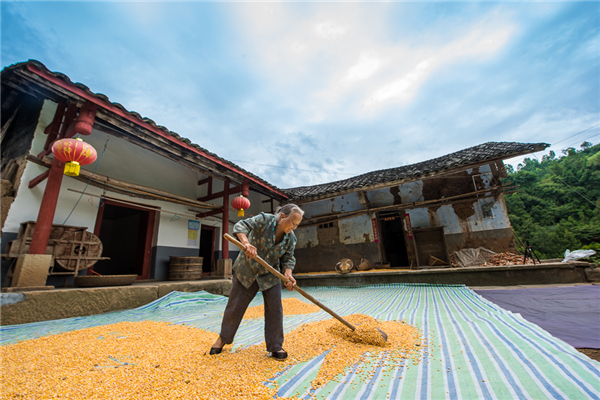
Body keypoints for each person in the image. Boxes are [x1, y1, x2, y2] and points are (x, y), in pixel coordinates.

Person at [209, 203, 304, 361]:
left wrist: (288, 274)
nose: (294, 227)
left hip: (270, 274)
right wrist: (246, 243)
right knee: (235, 305)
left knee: (275, 309)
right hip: (247, 270)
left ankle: (275, 346)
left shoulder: (290, 238)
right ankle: (223, 339)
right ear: (282, 217)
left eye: (297, 225)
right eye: (293, 223)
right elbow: (241, 225)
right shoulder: (264, 220)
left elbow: (288, 257)